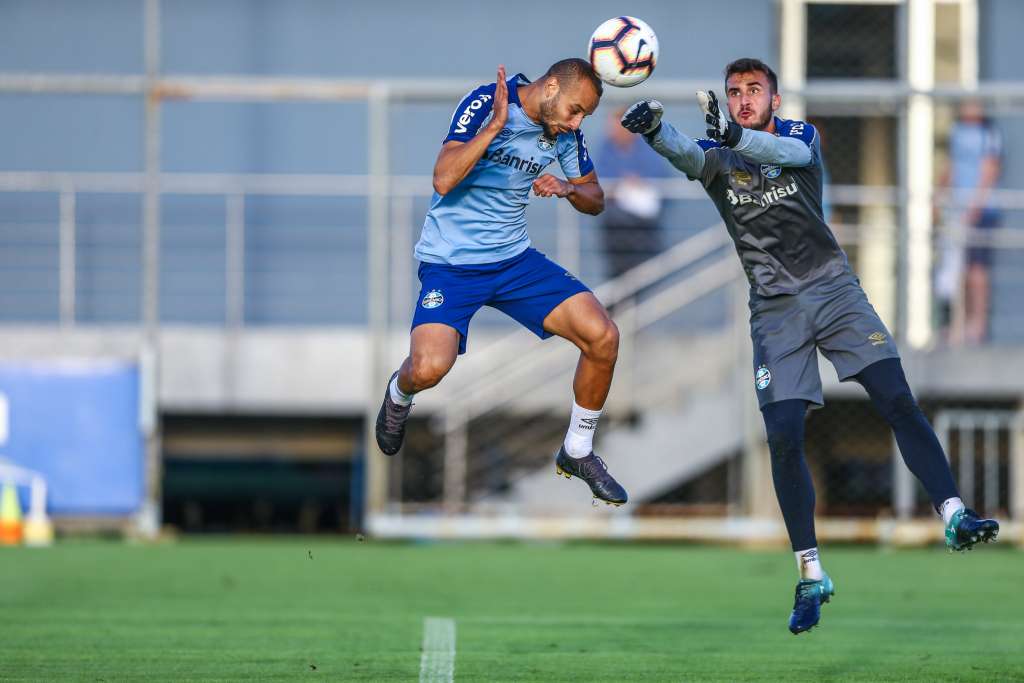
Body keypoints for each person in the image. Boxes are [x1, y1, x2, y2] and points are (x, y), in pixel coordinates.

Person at [620, 58, 999, 634]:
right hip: (775, 312)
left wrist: (738, 134)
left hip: (834, 290)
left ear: (774, 97)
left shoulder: (800, 135)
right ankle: (811, 573)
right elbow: (690, 157)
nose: (744, 98)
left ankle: (953, 513)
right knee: (784, 439)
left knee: (897, 398)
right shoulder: (721, 155)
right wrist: (654, 131)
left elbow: (789, 157)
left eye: (754, 90)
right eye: (734, 92)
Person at [375, 59, 626, 507]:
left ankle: (578, 449)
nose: (576, 121)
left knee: (602, 336)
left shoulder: (565, 133)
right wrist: (493, 129)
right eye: (574, 109)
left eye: (584, 114)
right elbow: (443, 178)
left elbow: (596, 198)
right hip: (450, 265)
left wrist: (569, 190)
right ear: (550, 87)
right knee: (429, 368)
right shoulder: (488, 102)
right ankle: (399, 392)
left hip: (513, 262)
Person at [934, 99, 1003, 345]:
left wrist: (976, 205)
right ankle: (956, 325)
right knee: (956, 270)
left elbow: (989, 170)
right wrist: (939, 196)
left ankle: (977, 325)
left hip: (981, 211)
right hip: (957, 210)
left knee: (977, 269)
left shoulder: (988, 134)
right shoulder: (957, 132)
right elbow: (951, 167)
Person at [597, 106, 671, 279]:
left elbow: (661, 178)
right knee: (618, 275)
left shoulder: (647, 147)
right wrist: (620, 184)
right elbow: (598, 178)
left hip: (643, 228)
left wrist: (639, 182)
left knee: (642, 275)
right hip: (615, 227)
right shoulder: (606, 149)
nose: (613, 131)